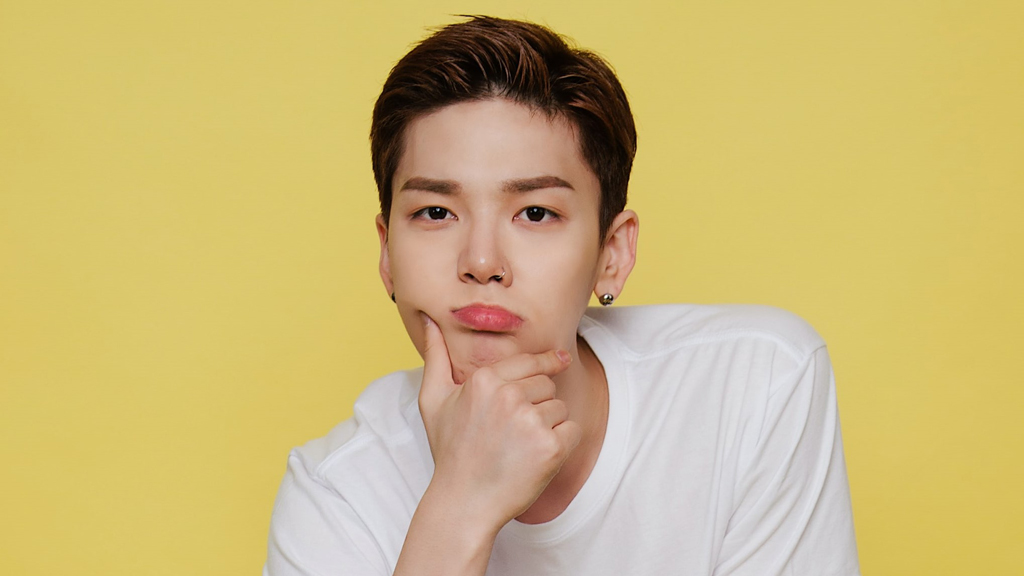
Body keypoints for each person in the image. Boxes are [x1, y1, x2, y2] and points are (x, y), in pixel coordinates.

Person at [264, 15, 859, 576]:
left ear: (612, 254)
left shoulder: (755, 383)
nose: (481, 263)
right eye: (436, 212)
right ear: (387, 252)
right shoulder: (336, 493)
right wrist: (460, 506)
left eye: (536, 213)